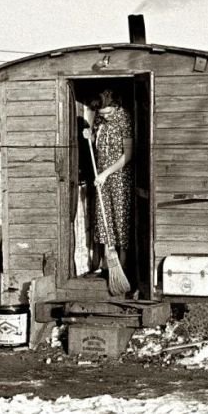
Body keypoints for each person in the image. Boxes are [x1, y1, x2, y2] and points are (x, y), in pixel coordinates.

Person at [82, 89, 133, 275]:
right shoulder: (100, 119)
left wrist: (106, 173)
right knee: (103, 217)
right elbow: (97, 141)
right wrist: (90, 136)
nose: (105, 117)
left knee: (120, 218)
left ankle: (123, 263)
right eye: (102, 114)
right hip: (101, 176)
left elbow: (128, 155)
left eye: (108, 113)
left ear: (115, 106)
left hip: (119, 177)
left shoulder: (124, 119)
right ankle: (107, 261)